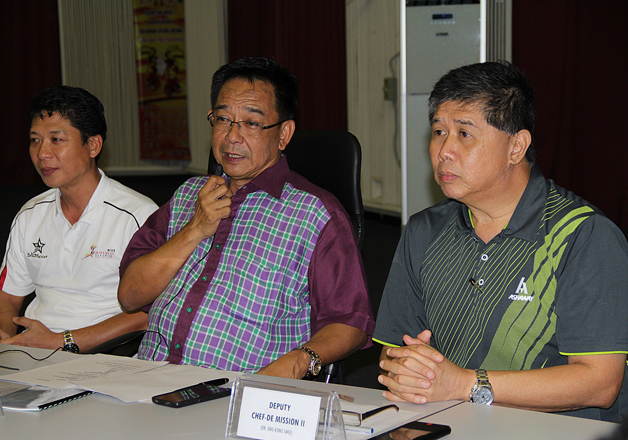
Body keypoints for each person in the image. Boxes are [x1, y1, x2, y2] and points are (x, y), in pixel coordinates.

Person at [373, 61, 628, 422]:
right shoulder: (424, 231)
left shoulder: (584, 236)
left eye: (464, 134)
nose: (443, 150)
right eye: (438, 132)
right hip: (447, 424)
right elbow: (392, 351)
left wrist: (465, 384)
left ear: (516, 147)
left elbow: (600, 384)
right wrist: (410, 370)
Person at [118, 56, 375, 378]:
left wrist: (300, 360)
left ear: (284, 134)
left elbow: (351, 323)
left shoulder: (315, 214)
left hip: (237, 391)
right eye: (222, 119)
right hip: (146, 376)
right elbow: (130, 296)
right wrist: (195, 229)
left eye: (252, 123)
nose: (231, 137)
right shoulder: (188, 195)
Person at [0, 86, 158, 353]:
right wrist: (1, 331)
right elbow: (5, 297)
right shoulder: (30, 214)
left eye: (56, 140)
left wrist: (63, 341)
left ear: (93, 145)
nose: (42, 153)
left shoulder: (138, 216)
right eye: (35, 140)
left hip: (107, 354)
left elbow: (150, 314)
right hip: (33, 350)